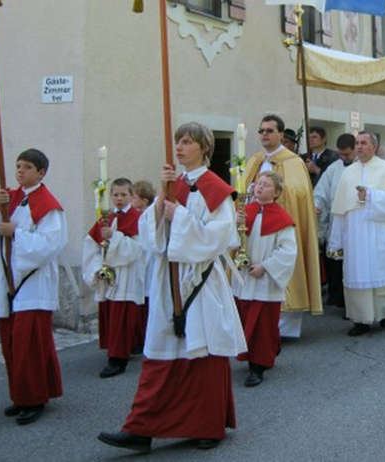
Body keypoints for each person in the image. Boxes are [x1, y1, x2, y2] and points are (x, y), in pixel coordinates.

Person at [98, 122, 246, 453]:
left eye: (188, 142)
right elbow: (151, 237)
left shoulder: (216, 189)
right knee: (160, 355)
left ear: (204, 148)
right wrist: (164, 209)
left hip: (199, 281)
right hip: (168, 280)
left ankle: (207, 425)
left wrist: (178, 216)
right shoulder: (173, 184)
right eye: (178, 141)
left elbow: (219, 237)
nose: (179, 147)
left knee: (203, 354)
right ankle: (140, 428)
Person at [0, 148, 66, 425]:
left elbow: (50, 244)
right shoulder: (9, 198)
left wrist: (16, 232)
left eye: (27, 167)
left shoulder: (49, 205)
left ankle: (34, 398)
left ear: (40, 172)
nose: (20, 171)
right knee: (12, 343)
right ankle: (21, 395)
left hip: (32, 283)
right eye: (18, 166)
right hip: (7, 280)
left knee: (30, 345)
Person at [243, 114, 322, 338]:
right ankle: (255, 327)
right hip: (256, 227)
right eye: (261, 131)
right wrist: (249, 191)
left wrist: (274, 190)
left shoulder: (293, 161)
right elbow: (242, 189)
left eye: (269, 130)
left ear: (280, 134)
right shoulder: (255, 160)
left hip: (281, 227)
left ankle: (284, 329)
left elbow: (299, 192)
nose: (265, 135)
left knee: (281, 266)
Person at [328, 131, 385, 336]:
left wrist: (372, 196)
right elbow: (340, 210)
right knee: (357, 272)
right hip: (355, 234)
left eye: (363, 143)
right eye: (357, 143)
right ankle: (360, 319)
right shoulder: (348, 173)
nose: (359, 146)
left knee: (381, 269)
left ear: (374, 147)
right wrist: (335, 240)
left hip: (379, 231)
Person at [232, 171, 297, 387]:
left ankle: (257, 366)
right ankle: (259, 351)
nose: (260, 187)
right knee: (246, 316)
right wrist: (234, 224)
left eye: (266, 185)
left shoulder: (282, 219)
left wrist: (266, 267)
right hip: (244, 276)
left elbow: (288, 251)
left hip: (265, 279)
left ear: (277, 192)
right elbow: (231, 243)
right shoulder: (244, 212)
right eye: (258, 184)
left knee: (262, 323)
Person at [82, 177, 144, 378]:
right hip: (109, 274)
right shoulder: (105, 218)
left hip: (126, 274)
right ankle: (115, 349)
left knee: (122, 315)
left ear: (132, 196)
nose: (119, 198)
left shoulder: (137, 217)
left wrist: (114, 238)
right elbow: (90, 242)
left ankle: (118, 359)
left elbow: (137, 249)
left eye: (123, 194)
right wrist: (96, 267)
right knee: (111, 313)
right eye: (115, 194)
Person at [314, 133, 356, 310]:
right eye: (341, 154)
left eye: (347, 154)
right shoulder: (334, 168)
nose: (343, 158)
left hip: (355, 224)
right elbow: (321, 190)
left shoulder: (363, 168)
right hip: (335, 222)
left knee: (351, 263)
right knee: (334, 260)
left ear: (355, 150)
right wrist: (317, 204)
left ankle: (350, 299)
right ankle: (336, 294)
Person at [130, 180, 156, 353]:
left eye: (133, 197)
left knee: (149, 301)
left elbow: (148, 242)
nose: (132, 200)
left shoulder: (150, 215)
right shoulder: (143, 214)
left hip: (151, 263)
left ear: (144, 200)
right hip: (144, 262)